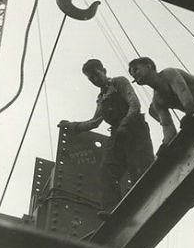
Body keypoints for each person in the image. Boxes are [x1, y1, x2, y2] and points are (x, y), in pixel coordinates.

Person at [58, 59, 154, 217]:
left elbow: (134, 104)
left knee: (138, 168)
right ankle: (112, 208)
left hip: (135, 129)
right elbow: (95, 122)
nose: (95, 80)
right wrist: (73, 125)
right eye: (91, 79)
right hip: (118, 134)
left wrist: (125, 123)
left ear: (104, 70)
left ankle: (144, 205)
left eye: (96, 75)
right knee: (107, 170)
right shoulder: (102, 98)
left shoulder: (119, 83)